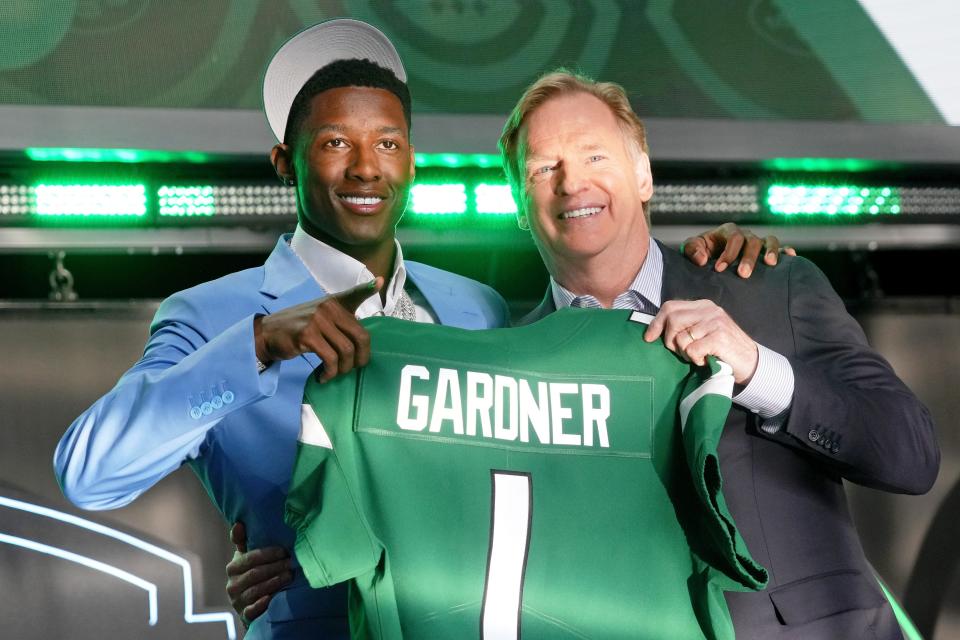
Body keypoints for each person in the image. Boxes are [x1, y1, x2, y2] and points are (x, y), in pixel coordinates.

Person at [55, 19, 786, 639]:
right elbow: (89, 474)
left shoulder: (479, 309)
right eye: (336, 143)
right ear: (286, 161)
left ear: (412, 159)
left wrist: (711, 255)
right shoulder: (213, 315)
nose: (366, 168)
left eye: (389, 143)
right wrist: (257, 344)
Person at [497, 69, 939, 639]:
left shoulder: (773, 286)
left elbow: (910, 454)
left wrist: (758, 370)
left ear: (643, 175)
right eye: (543, 168)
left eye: (594, 157)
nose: (571, 183)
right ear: (517, 201)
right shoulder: (513, 365)